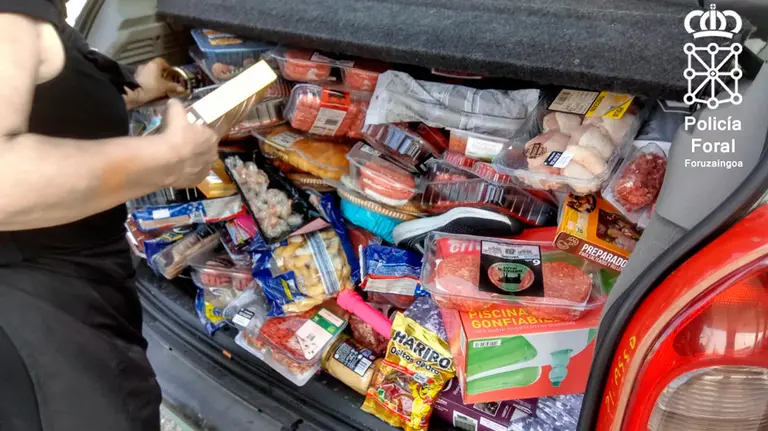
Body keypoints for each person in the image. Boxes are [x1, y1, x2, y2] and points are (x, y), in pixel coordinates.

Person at [0, 1, 220, 430]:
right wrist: (169, 158)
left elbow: (46, 100)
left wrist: (134, 89)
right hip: (43, 320)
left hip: (72, 293)